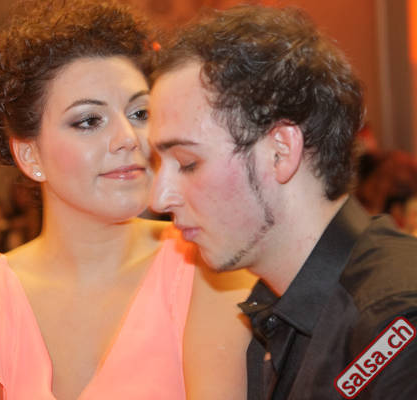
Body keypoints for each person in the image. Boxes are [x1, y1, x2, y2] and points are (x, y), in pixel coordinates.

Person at [0, 1, 255, 399]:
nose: (128, 138)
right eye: (89, 121)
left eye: (140, 113)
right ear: (30, 155)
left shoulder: (211, 266)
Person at [149, 5, 417, 399]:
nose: (159, 197)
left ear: (281, 151)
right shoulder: (277, 316)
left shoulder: (394, 320)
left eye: (188, 163)